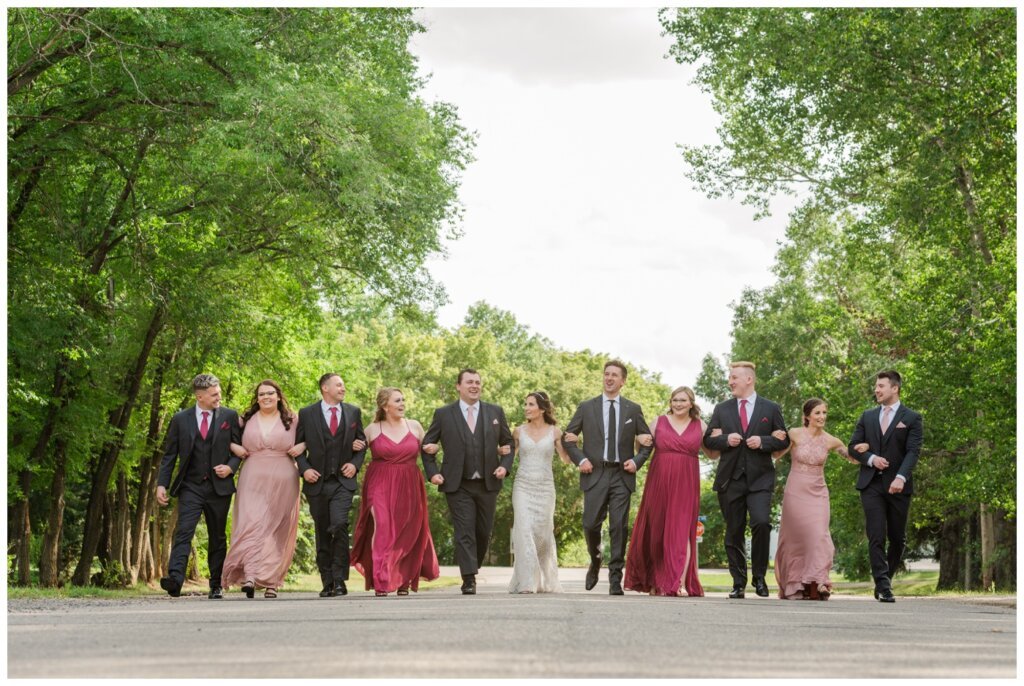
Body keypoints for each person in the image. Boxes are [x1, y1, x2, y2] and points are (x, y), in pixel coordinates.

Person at [561, 360, 653, 595]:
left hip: (622, 474)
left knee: (619, 527)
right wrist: (581, 459)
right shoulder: (586, 407)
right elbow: (568, 438)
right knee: (590, 524)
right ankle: (596, 557)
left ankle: (615, 579)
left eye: (615, 375)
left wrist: (637, 460)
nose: (609, 378)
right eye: (606, 374)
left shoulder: (633, 409)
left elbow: (648, 441)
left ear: (623, 381)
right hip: (595, 473)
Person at [421, 368, 514, 595]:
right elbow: (427, 446)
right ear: (458, 386)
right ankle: (468, 578)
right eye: (470, 382)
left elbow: (509, 444)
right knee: (464, 530)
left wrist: (505, 465)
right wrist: (432, 472)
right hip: (457, 484)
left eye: (478, 382)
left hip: (487, 483)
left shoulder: (495, 412)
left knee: (483, 532)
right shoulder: (443, 414)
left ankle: (473, 564)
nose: (474, 386)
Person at [703, 361, 789, 599]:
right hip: (730, 479)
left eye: (734, 378)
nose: (730, 382)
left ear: (748, 379)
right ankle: (738, 582)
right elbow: (709, 439)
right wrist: (724, 439)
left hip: (760, 478)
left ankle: (760, 578)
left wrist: (763, 441)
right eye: (730, 378)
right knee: (734, 530)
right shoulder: (722, 409)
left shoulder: (771, 408)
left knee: (761, 523)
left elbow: (783, 440)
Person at [624, 386, 716, 597]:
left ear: (691, 403)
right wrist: (639, 441)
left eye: (683, 400)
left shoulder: (701, 425)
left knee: (682, 531)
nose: (678, 403)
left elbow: (712, 454)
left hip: (686, 483)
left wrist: (721, 436)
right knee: (657, 531)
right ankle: (657, 581)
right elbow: (644, 449)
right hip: (659, 481)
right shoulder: (658, 422)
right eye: (675, 400)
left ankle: (679, 583)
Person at [156, 373, 242, 599]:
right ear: (200, 396)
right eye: (214, 394)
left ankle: (216, 584)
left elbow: (239, 450)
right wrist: (161, 484)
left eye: (219, 392)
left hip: (219, 487)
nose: (219, 397)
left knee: (217, 536)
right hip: (191, 486)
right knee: (183, 531)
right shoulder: (180, 419)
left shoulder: (229, 416)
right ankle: (175, 580)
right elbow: (169, 455)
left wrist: (231, 468)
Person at [350, 387, 439, 596]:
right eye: (397, 401)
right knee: (383, 526)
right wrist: (353, 447)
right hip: (379, 482)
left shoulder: (415, 426)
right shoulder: (372, 429)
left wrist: (432, 450)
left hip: (409, 483)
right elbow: (356, 454)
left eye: (403, 400)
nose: (402, 404)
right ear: (384, 405)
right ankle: (382, 579)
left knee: (408, 530)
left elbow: (428, 453)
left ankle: (403, 579)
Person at [221, 380, 305, 598]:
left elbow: (313, 438)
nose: (266, 397)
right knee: (251, 525)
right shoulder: (245, 420)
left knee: (277, 530)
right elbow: (220, 438)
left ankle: (272, 582)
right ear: (256, 398)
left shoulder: (292, 420)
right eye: (261, 394)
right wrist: (234, 447)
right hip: (252, 477)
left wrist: (302, 445)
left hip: (284, 478)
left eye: (270, 393)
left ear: (278, 396)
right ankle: (250, 576)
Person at [770, 398, 858, 600]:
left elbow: (850, 457)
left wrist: (858, 452)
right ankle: (795, 585)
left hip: (818, 492)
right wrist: (776, 438)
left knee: (819, 535)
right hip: (795, 491)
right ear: (807, 416)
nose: (822, 417)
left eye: (824, 413)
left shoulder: (831, 440)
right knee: (796, 539)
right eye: (817, 413)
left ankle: (819, 582)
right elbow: (776, 454)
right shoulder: (794, 434)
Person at [848, 370, 923, 603]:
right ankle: (884, 586)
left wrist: (901, 477)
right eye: (876, 386)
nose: (876, 390)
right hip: (871, 484)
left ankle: (884, 580)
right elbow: (853, 447)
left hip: (898, 485)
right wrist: (870, 458)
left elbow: (913, 451)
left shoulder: (911, 418)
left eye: (881, 386)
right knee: (876, 534)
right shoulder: (867, 416)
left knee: (897, 538)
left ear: (895, 388)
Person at [295, 373, 368, 598]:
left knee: (339, 524)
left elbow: (362, 444)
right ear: (325, 388)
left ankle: (340, 580)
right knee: (322, 532)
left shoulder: (353, 412)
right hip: (317, 483)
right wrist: (305, 469)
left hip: (342, 483)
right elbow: (298, 448)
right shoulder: (307, 414)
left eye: (343, 385)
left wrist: (355, 464)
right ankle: (327, 581)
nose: (343, 388)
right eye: (338, 385)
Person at [507, 391, 571, 594]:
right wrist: (502, 454)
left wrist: (571, 443)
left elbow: (566, 460)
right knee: (523, 529)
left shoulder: (555, 432)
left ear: (541, 409)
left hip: (545, 487)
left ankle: (545, 578)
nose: (526, 407)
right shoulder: (518, 431)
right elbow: (510, 456)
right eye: (525, 404)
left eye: (530, 404)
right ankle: (527, 582)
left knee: (543, 534)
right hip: (523, 486)